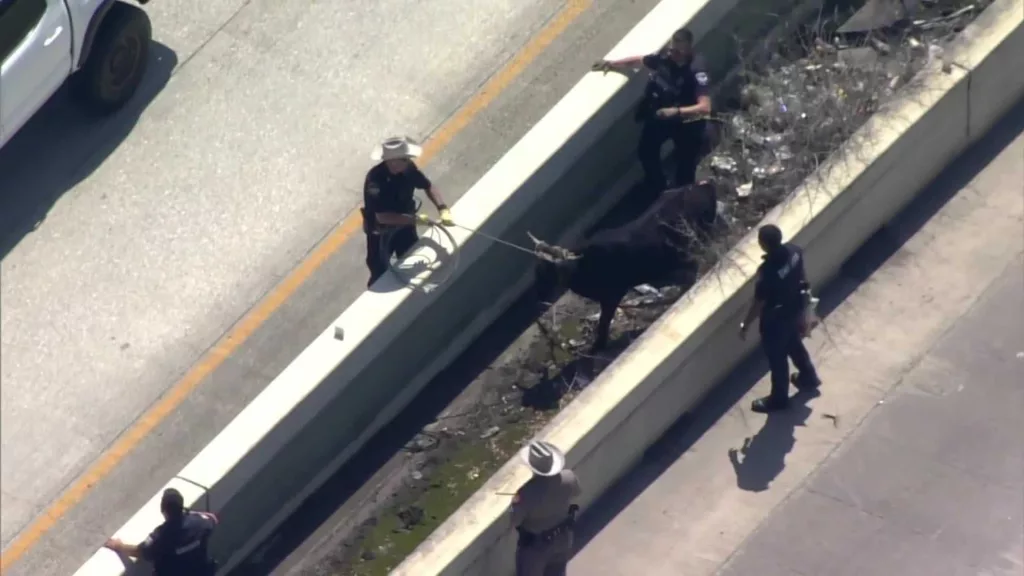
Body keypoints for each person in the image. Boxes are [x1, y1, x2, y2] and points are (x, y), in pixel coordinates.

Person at [593, 27, 713, 196]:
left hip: (687, 123)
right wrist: (611, 63)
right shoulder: (665, 58)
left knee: (685, 168)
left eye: (678, 51)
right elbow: (640, 61)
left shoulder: (696, 70)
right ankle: (657, 186)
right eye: (672, 49)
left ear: (688, 49)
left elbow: (705, 107)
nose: (673, 54)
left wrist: (676, 111)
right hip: (663, 116)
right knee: (646, 150)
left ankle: (682, 199)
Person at [739, 224, 821, 413]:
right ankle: (808, 376)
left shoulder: (767, 273)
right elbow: (801, 274)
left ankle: (779, 399)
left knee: (778, 359)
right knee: (793, 344)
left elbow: (758, 303)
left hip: (775, 319)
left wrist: (745, 324)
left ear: (763, 245)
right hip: (795, 308)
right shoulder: (794, 251)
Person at [362, 136, 453, 286]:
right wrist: (416, 220)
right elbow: (382, 217)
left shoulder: (408, 169)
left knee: (411, 255)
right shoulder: (376, 181)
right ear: (392, 161)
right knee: (379, 270)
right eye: (405, 159)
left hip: (405, 226)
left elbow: (427, 186)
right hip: (381, 232)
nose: (409, 161)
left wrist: (442, 208)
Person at [103, 488, 219, 575]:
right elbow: (213, 519)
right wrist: (191, 515)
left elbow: (140, 552)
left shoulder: (160, 536)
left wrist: (119, 546)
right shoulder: (199, 523)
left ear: (163, 510)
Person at [510, 440, 582, 576]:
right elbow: (577, 492)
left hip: (536, 547)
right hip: (563, 537)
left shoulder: (525, 493)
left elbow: (515, 521)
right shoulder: (569, 477)